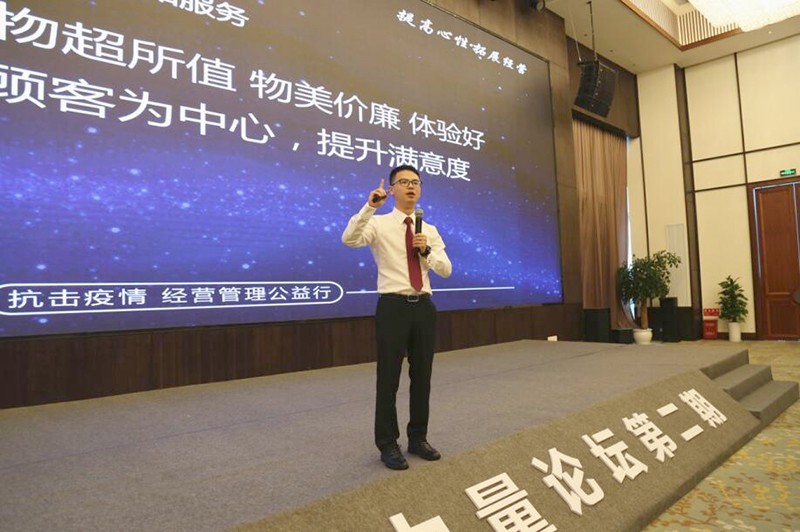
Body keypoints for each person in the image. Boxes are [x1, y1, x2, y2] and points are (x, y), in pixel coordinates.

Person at [341, 164, 452, 470]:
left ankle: (418, 438)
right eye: (403, 182)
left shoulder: (429, 230)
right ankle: (388, 443)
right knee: (388, 378)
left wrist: (426, 251)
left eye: (415, 182)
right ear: (391, 190)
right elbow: (349, 239)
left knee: (422, 377)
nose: (411, 186)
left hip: (424, 307)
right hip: (393, 306)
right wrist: (369, 207)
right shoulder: (378, 223)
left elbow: (445, 269)